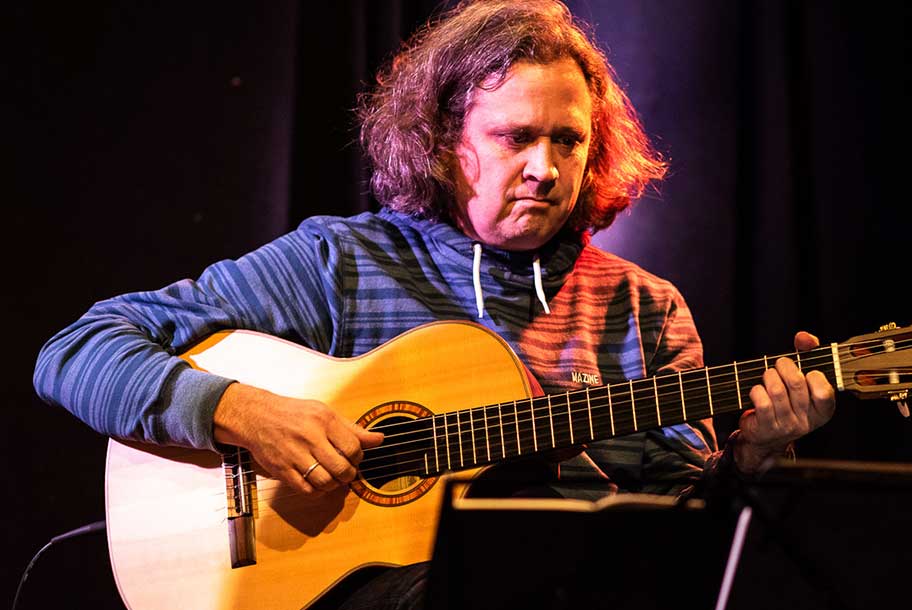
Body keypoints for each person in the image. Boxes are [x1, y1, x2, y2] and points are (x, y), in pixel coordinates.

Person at [33, 1, 835, 608]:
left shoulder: (643, 308)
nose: (546, 168)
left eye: (567, 140)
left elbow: (683, 537)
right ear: (445, 143)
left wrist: (756, 461)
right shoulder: (340, 262)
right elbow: (78, 349)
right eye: (515, 137)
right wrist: (237, 411)